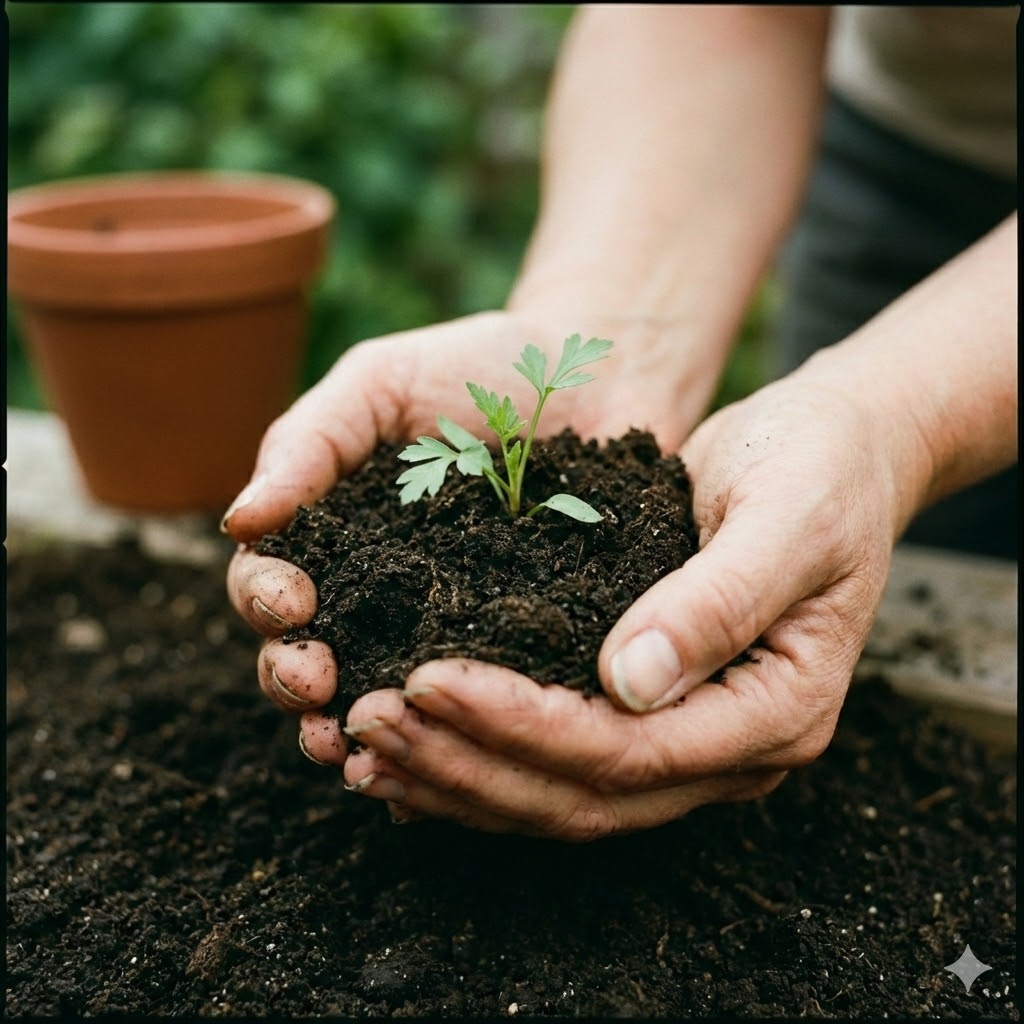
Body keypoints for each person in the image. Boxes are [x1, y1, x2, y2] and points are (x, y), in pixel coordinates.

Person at [223, 6, 1017, 841]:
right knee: (874, 565)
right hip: (905, 143)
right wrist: (615, 324)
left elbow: (881, 430)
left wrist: (895, 420)